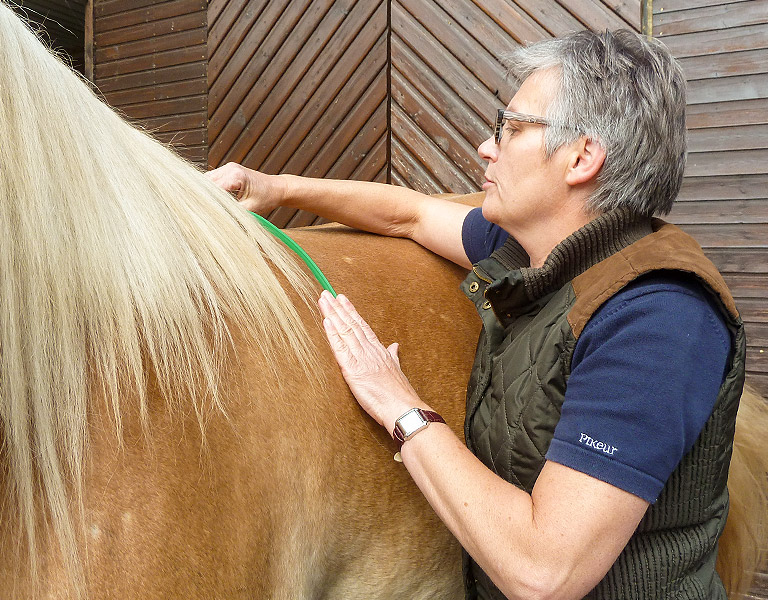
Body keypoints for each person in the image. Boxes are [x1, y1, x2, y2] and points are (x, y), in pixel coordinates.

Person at [208, 30, 745, 600]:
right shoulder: (535, 250)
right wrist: (273, 187)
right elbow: (408, 217)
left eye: (511, 128)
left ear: (582, 157)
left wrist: (399, 404)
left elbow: (544, 572)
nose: (488, 147)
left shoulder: (656, 319)